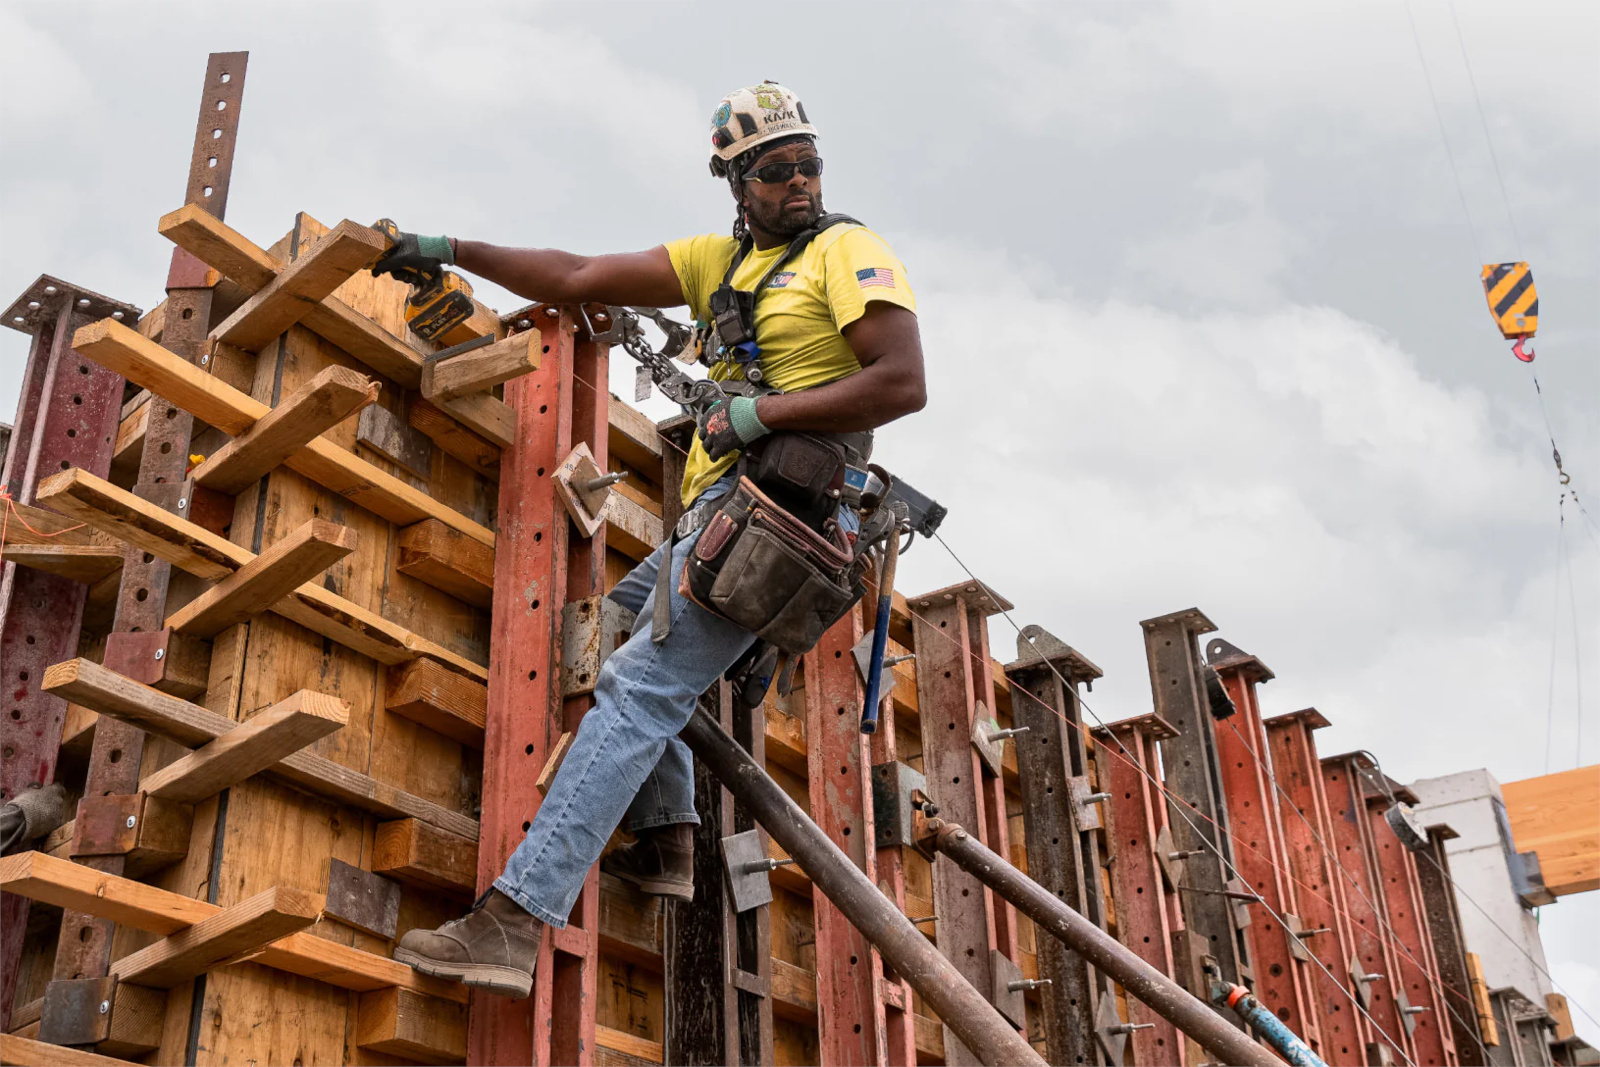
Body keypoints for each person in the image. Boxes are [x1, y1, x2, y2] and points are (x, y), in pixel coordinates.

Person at [379, 81, 926, 999]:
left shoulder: (845, 250)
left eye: (809, 164)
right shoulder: (721, 262)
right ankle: (669, 830)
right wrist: (453, 250)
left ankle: (513, 921)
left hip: (777, 529)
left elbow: (901, 381)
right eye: (776, 170)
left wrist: (760, 411)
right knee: (611, 633)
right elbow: (580, 276)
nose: (800, 183)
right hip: (718, 525)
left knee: (637, 686)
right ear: (736, 184)